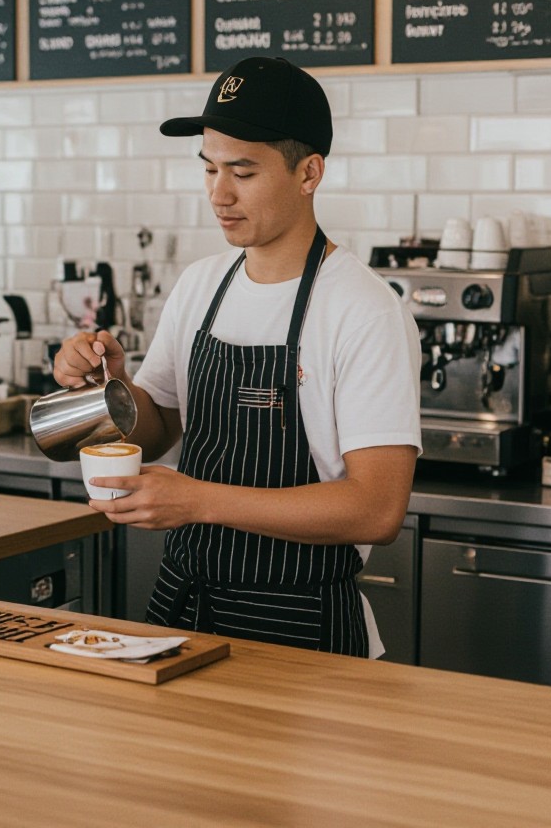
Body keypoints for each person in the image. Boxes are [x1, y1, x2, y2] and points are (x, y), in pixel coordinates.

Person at [52, 55, 421, 657]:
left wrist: (197, 498)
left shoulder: (363, 309)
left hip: (304, 632)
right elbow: (160, 428)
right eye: (209, 169)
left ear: (309, 173)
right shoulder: (202, 285)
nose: (219, 194)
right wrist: (108, 388)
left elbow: (375, 509)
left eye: (243, 172)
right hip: (186, 612)